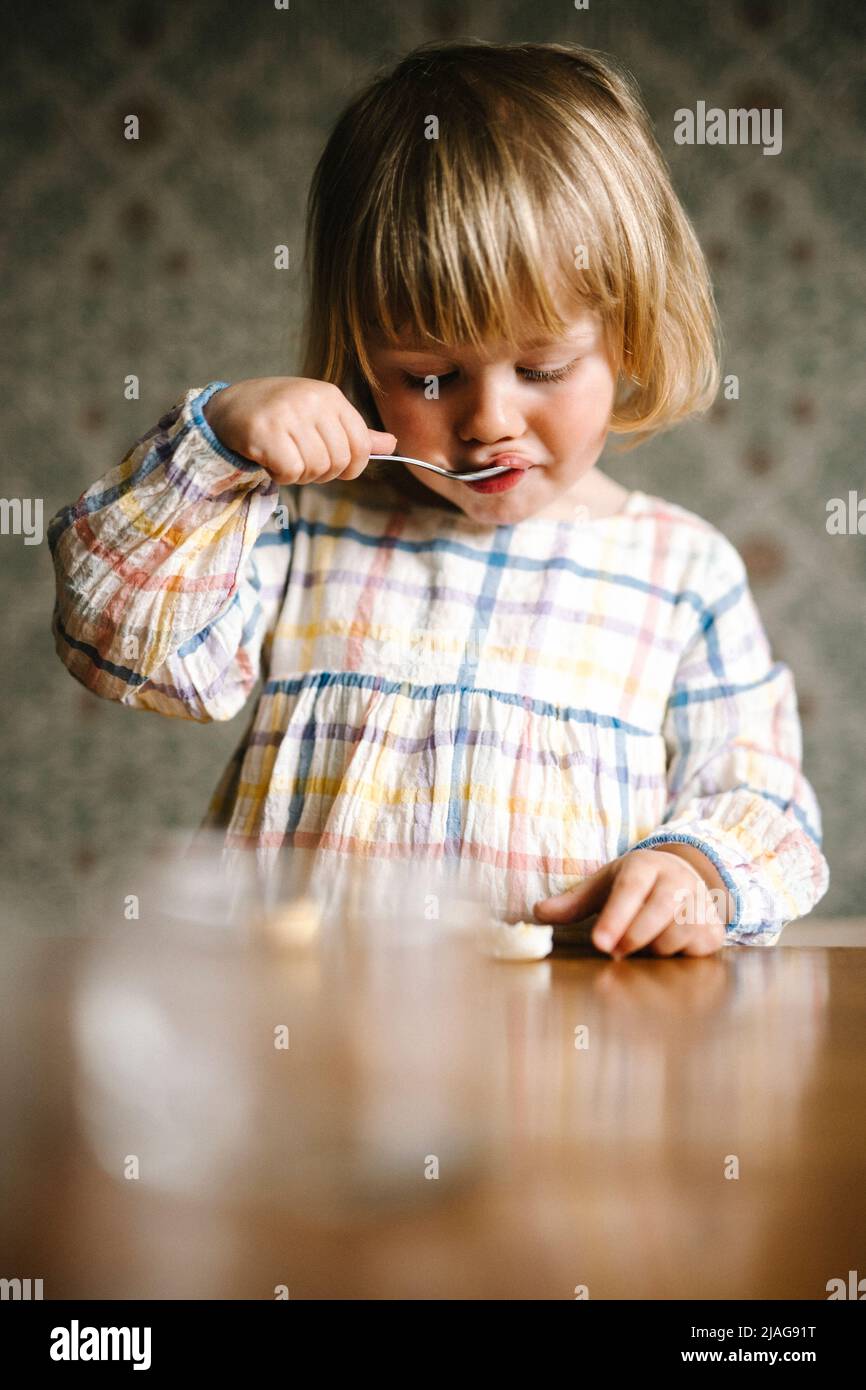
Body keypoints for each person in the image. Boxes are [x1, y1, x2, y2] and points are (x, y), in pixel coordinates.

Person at [47, 39, 829, 956]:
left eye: (542, 366)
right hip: (307, 1040)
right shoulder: (296, 526)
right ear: (362, 360)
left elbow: (762, 800)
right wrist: (213, 446)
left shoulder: (683, 570)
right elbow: (123, 649)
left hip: (566, 1060)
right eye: (426, 375)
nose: (490, 419)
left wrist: (697, 869)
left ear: (631, 336)